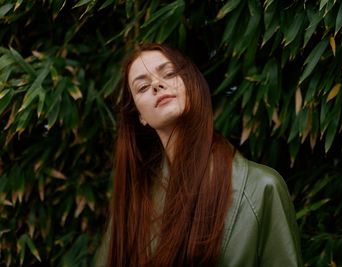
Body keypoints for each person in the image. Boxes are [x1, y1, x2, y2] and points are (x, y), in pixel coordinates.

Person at [94, 43, 302, 267]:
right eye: (142, 87)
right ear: (140, 116)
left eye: (170, 73)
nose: (156, 84)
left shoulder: (261, 188)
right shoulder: (134, 202)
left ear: (192, 85)